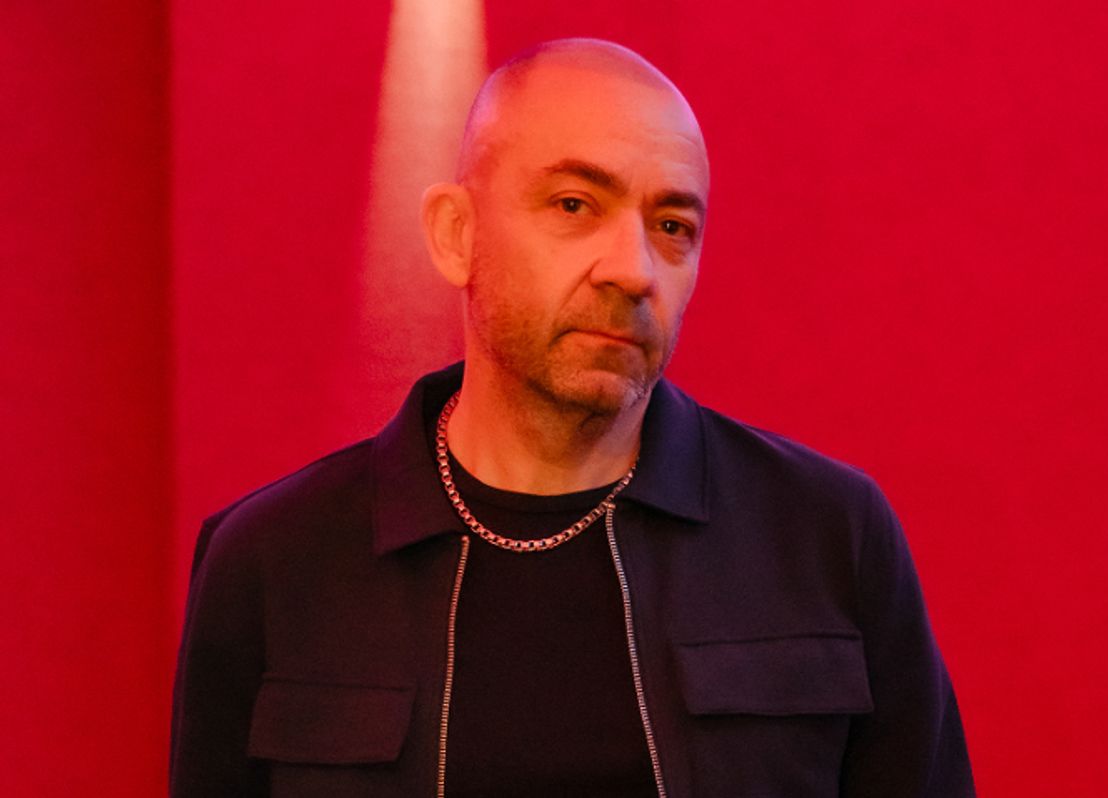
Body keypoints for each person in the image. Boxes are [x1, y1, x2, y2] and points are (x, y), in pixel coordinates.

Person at [170, 38, 975, 797]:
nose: (633, 269)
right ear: (457, 234)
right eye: (574, 204)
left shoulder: (828, 537)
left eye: (672, 227)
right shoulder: (275, 561)